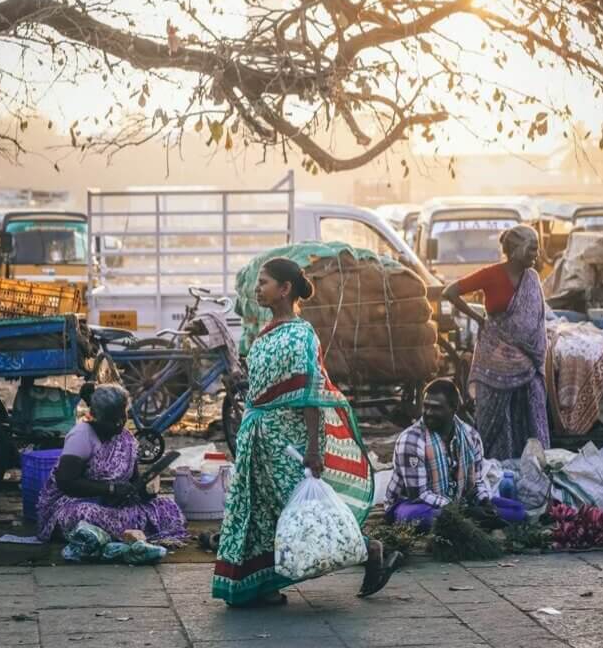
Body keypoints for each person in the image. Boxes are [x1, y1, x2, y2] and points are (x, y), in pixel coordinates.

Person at [212, 257, 402, 607]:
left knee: (304, 511)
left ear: (285, 290)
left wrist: (314, 449)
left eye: (265, 282)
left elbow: (310, 396)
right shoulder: (263, 333)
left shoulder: (301, 335)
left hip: (291, 442)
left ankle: (372, 550)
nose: (258, 288)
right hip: (261, 439)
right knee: (262, 511)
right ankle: (264, 584)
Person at [442, 224, 550, 460]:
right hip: (495, 358)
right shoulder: (491, 274)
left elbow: (537, 320)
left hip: (527, 361)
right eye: (531, 249)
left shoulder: (531, 278)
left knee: (528, 414)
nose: (535, 255)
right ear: (514, 250)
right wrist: (477, 317)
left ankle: (531, 466)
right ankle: (492, 467)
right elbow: (449, 292)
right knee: (496, 419)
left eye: (536, 249)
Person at [37, 384, 187, 545]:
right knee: (84, 515)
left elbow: (133, 480)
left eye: (123, 417)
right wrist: (110, 489)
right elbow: (66, 481)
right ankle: (127, 531)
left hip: (114, 506)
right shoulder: (81, 436)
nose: (119, 424)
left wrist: (142, 491)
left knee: (166, 507)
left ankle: (119, 533)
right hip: (74, 503)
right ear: (95, 416)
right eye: (112, 420)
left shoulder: (127, 439)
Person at [384, 378, 506, 531]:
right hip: (411, 505)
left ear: (454, 408)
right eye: (426, 407)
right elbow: (418, 495)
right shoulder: (411, 440)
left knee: (516, 511)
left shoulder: (471, 436)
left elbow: (477, 481)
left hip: (455, 503)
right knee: (420, 517)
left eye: (436, 408)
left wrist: (485, 502)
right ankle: (468, 521)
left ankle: (468, 520)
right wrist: (464, 511)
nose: (428, 413)